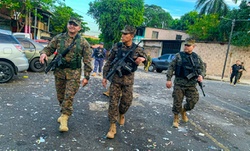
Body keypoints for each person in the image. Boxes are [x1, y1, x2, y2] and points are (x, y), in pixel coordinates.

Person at [39, 17, 92, 132]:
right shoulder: (59, 38)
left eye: (75, 24)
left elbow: (87, 60)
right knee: (61, 96)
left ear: (79, 28)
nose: (72, 26)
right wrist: (43, 54)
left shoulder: (83, 42)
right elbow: (49, 48)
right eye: (70, 23)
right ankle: (64, 112)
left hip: (74, 74)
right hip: (59, 72)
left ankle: (64, 118)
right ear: (68, 25)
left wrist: (86, 76)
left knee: (69, 96)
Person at [102, 25, 147, 139]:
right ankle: (112, 126)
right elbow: (109, 61)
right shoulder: (117, 47)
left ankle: (122, 114)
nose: (122, 36)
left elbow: (148, 60)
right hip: (116, 80)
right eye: (122, 33)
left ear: (131, 36)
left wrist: (143, 59)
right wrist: (105, 76)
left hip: (128, 81)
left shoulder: (138, 49)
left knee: (126, 102)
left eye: (125, 34)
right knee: (113, 102)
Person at [166, 38, 206, 128]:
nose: (186, 47)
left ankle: (184, 110)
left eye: (188, 45)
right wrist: (169, 79)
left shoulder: (197, 57)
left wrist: (201, 76)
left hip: (191, 84)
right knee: (177, 102)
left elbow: (203, 69)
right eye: (185, 45)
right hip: (179, 84)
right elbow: (171, 67)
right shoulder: (178, 56)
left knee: (193, 100)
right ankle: (176, 117)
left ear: (193, 46)